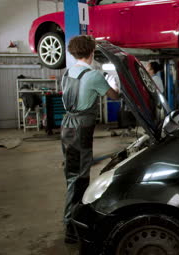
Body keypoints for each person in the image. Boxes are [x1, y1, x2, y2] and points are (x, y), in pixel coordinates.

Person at [60, 35, 120, 243]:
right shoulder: (93, 75)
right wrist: (113, 82)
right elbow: (114, 96)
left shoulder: (67, 72)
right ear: (92, 51)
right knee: (79, 178)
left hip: (67, 126)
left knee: (72, 173)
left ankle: (74, 222)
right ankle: (72, 227)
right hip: (80, 129)